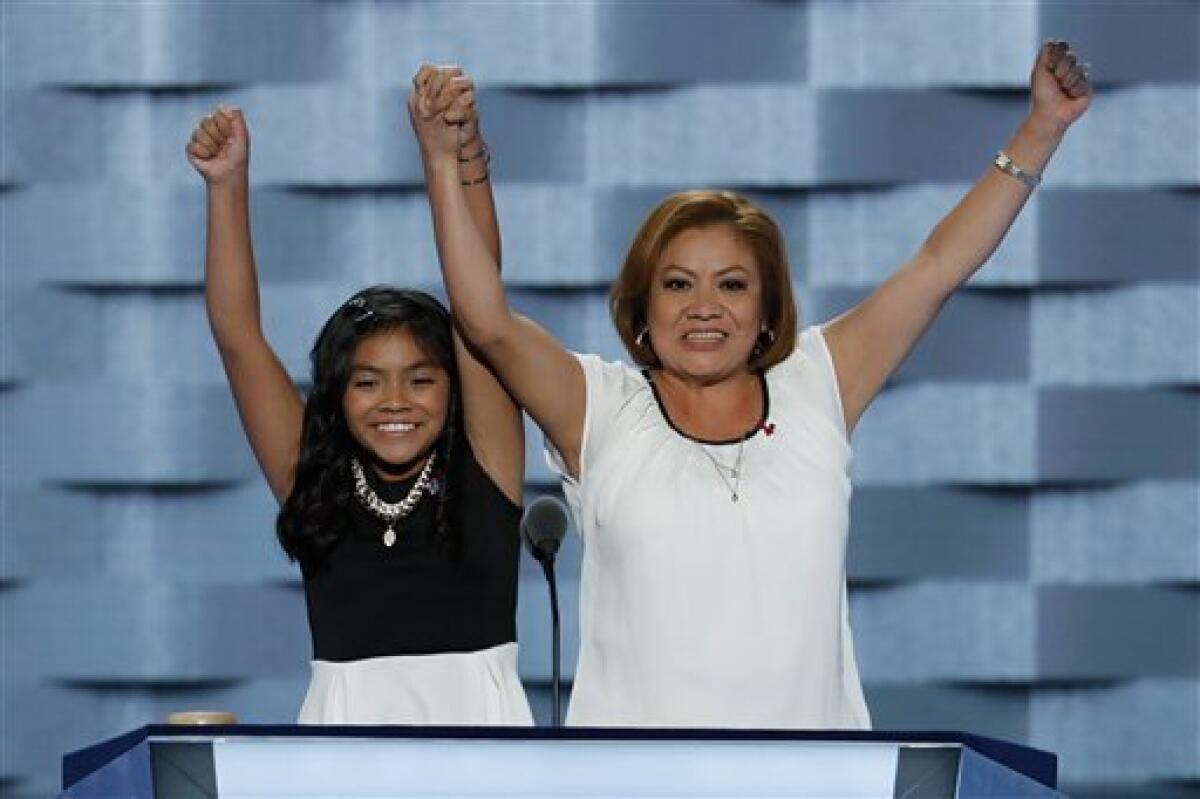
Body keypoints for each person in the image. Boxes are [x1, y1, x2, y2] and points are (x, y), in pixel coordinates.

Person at [410, 42, 1092, 728]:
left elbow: (939, 263)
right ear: (642, 308)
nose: (704, 307)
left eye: (732, 285)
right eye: (677, 284)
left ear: (768, 311)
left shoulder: (818, 380)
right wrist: (445, 161)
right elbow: (484, 319)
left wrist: (1042, 127)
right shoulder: (602, 407)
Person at [186, 65, 532, 725]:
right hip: (337, 761)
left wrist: (449, 155)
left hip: (484, 760)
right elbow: (238, 339)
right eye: (367, 381)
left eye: (422, 379)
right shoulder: (315, 483)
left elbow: (479, 302)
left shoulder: (485, 465)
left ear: (456, 391)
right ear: (336, 396)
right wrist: (226, 187)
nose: (394, 400)